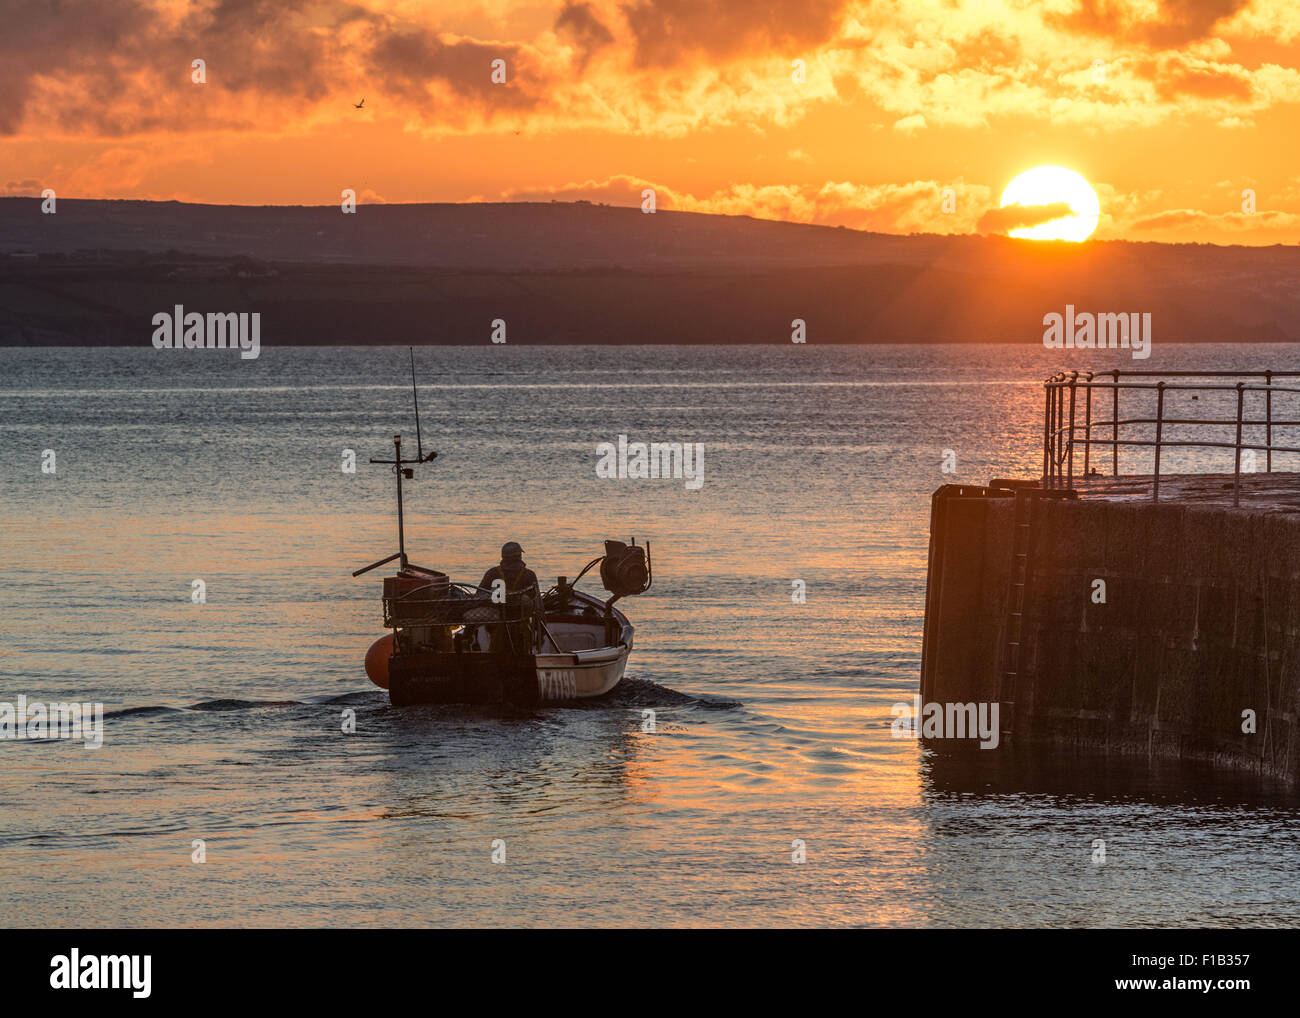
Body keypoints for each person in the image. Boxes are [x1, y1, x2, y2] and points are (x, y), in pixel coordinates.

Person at [477, 542, 539, 653]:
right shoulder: (529, 575)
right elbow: (535, 602)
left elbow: (479, 596)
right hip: (521, 623)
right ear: (519, 556)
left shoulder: (492, 573)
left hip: (495, 624)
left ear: (503, 557)